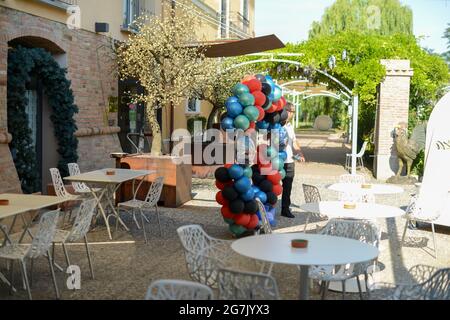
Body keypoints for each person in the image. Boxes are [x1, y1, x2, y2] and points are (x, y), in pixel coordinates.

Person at [281, 102, 305, 218]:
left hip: (289, 161)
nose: (293, 114)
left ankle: (285, 209)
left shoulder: (290, 126)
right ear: (286, 111)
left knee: (287, 187)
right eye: (292, 112)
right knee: (272, 187)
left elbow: (294, 141)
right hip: (277, 161)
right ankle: (267, 210)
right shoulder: (277, 125)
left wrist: (299, 153)